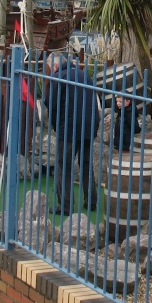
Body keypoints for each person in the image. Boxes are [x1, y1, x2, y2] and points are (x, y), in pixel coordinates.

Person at [43, 53, 99, 215]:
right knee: (86, 164)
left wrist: (56, 126)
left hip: (68, 127)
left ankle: (66, 206)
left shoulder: (58, 77)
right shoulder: (84, 75)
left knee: (64, 166)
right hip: (89, 126)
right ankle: (91, 201)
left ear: (54, 66)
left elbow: (50, 104)